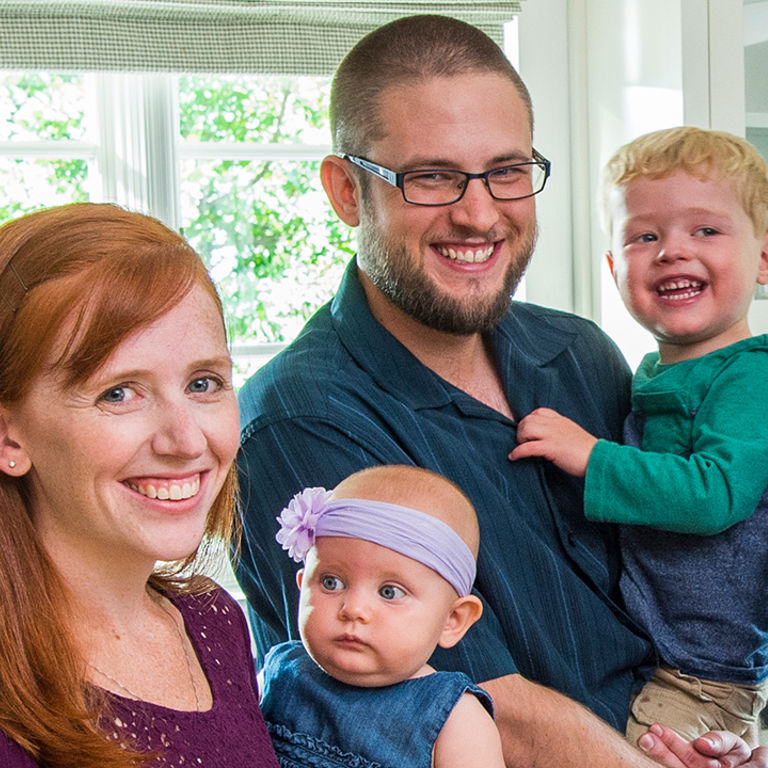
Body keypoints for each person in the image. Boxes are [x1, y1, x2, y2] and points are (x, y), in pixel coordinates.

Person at [234, 13, 768, 768]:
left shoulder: (579, 351)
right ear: (348, 191)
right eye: (432, 176)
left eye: (507, 171)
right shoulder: (300, 421)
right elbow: (475, 705)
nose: (479, 213)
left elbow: (684, 578)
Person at [510, 126, 768, 746]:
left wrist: (591, 457)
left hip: (704, 677)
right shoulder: (649, 372)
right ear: (613, 268)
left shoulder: (752, 374)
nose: (671, 251)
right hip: (658, 655)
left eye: (705, 230)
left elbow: (713, 494)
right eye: (643, 236)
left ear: (763, 258)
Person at [0, 203, 280, 768]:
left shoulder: (214, 623)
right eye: (119, 393)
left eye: (204, 383)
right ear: (9, 438)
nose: (184, 440)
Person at [259, 465, 504, 768]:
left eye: (390, 592)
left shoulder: (456, 720)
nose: (353, 609)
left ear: (452, 619)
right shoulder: (280, 673)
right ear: (302, 587)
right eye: (330, 582)